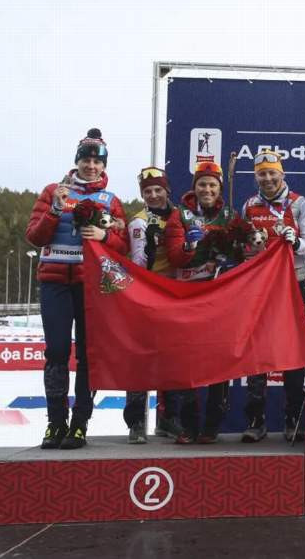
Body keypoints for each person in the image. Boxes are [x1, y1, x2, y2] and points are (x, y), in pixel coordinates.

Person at [26, 128, 127, 450]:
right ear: (77, 161)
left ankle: (80, 424)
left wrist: (104, 236)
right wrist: (55, 210)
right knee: (56, 352)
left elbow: (124, 246)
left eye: (98, 162)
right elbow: (35, 237)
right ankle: (55, 422)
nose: (91, 166)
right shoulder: (53, 191)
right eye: (86, 160)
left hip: (90, 286)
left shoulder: (110, 200)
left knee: (87, 354)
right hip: (54, 282)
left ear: (104, 166)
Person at [239, 150, 305, 442]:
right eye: (262, 174)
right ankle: (256, 420)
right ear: (256, 177)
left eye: (272, 173)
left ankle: (293, 418)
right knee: (257, 351)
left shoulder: (298, 203)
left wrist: (296, 243)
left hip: (291, 284)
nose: (268, 178)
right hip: (259, 287)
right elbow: (243, 246)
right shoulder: (249, 205)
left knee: (292, 351)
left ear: (282, 174)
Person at [165, 160, 236, 443]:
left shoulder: (229, 214)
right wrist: (189, 246)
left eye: (212, 185)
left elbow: (242, 253)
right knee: (187, 360)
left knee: (220, 359)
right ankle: (188, 425)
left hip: (218, 296)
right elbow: (174, 257)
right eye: (202, 184)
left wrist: (233, 250)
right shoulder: (179, 214)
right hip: (187, 295)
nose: (207, 189)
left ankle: (212, 425)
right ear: (195, 187)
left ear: (220, 188)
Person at [123, 167, 183, 444]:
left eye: (158, 189)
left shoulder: (181, 215)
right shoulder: (139, 221)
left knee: (173, 356)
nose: (154, 195)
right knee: (141, 357)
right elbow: (137, 264)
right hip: (147, 293)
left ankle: (168, 418)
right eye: (147, 191)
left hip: (175, 293)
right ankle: (136, 421)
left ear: (167, 190)